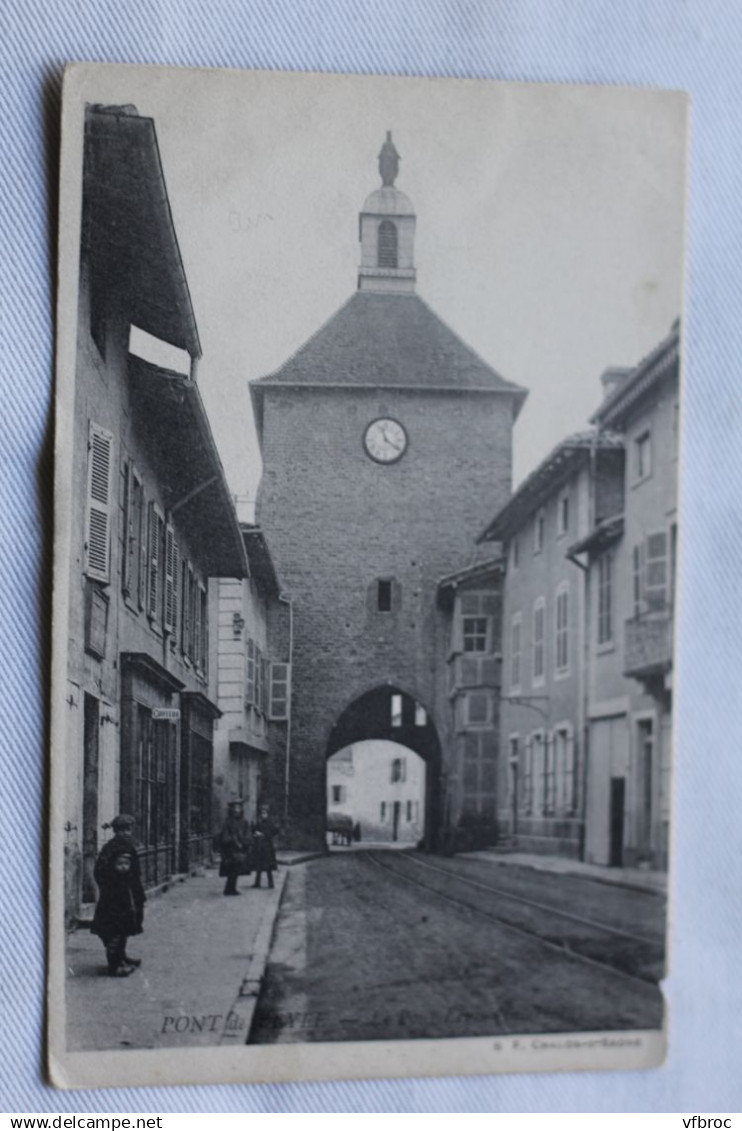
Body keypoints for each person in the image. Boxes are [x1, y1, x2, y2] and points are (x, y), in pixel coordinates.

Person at [91, 814, 145, 977]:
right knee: (114, 929)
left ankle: (122, 956)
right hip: (114, 898)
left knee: (125, 928)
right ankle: (114, 966)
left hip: (129, 896)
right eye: (122, 830)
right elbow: (100, 872)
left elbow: (135, 871)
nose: (126, 833)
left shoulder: (129, 846)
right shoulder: (111, 848)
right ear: (116, 831)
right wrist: (112, 885)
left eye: (128, 830)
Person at [219, 801, 251, 896]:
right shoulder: (228, 821)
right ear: (232, 810)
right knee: (230, 869)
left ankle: (233, 888)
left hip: (240, 849)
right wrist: (232, 841)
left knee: (237, 869)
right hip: (230, 849)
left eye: (239, 808)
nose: (237, 810)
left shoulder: (244, 821)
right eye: (235, 808)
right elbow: (225, 836)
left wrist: (244, 842)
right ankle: (228, 889)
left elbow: (247, 833)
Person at [252, 805, 278, 889]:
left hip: (267, 848)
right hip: (260, 847)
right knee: (259, 866)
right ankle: (257, 883)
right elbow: (255, 830)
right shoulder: (259, 823)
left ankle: (271, 884)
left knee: (268, 867)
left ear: (267, 814)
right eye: (262, 813)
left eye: (264, 813)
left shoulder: (270, 823)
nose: (263, 815)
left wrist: (263, 834)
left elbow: (274, 832)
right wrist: (255, 833)